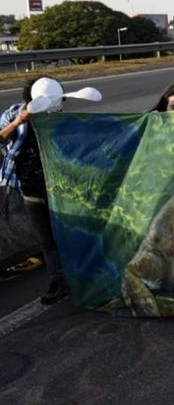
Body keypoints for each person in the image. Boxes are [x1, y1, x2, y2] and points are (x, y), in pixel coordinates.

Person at [0, 77, 103, 305]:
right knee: (46, 239)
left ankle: (83, 277)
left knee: (71, 234)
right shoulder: (13, 115)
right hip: (32, 190)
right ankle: (58, 282)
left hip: (62, 188)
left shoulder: (59, 117)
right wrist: (18, 122)